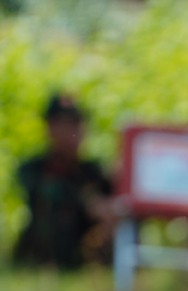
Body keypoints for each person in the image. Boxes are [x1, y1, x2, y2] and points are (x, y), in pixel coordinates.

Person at [12, 92, 114, 270]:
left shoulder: (94, 172)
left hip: (85, 264)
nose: (74, 132)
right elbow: (43, 191)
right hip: (41, 261)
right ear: (50, 128)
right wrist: (87, 203)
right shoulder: (34, 169)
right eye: (66, 124)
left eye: (77, 124)